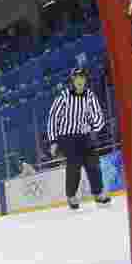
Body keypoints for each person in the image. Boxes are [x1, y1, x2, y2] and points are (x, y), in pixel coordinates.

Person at [47, 67, 112, 210]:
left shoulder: (90, 95)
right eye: (77, 78)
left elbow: (98, 116)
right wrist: (53, 141)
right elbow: (53, 118)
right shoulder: (64, 97)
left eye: (82, 77)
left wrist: (92, 126)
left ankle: (98, 193)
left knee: (93, 163)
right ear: (72, 80)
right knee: (74, 165)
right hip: (67, 136)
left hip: (85, 135)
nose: (80, 80)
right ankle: (71, 196)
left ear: (85, 80)